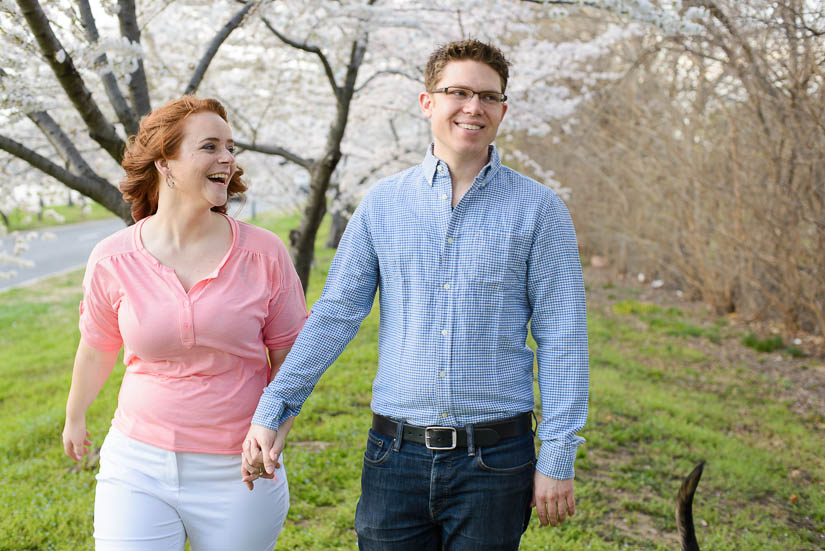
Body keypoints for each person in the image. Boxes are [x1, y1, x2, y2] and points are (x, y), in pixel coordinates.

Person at [243, 39, 589, 550]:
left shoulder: (539, 211)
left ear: (503, 110)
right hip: (394, 456)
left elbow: (562, 337)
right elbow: (337, 313)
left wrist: (557, 454)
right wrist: (276, 406)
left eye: (489, 97)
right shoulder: (382, 204)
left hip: (496, 460)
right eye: (459, 92)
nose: (474, 107)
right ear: (428, 102)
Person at [61, 96, 308, 551]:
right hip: (137, 463)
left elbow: (292, 359)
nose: (228, 159)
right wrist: (75, 417)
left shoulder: (265, 253)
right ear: (165, 163)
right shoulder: (113, 257)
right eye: (210, 146)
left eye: (230, 147)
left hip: (240, 470)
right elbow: (97, 346)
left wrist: (273, 435)